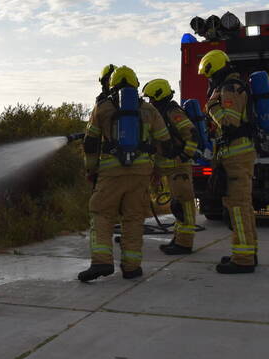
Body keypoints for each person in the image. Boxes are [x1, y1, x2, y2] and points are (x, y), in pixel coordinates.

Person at [78, 65, 171, 282]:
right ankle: (132, 267)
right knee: (134, 217)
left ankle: (102, 262)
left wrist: (91, 170)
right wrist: (159, 169)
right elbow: (164, 142)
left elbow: (90, 143)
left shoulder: (103, 108)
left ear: (113, 86)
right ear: (136, 85)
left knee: (101, 213)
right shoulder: (149, 110)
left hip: (111, 172)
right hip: (141, 172)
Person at [199, 49, 258, 274]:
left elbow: (230, 122)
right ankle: (248, 252)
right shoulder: (235, 85)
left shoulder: (229, 88)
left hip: (236, 155)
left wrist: (212, 107)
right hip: (237, 154)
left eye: (209, 75)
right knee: (243, 206)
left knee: (237, 208)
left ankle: (243, 259)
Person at [141, 78, 199, 255]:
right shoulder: (162, 113)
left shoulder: (173, 112)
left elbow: (191, 133)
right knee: (177, 205)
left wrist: (184, 155)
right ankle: (179, 239)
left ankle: (184, 244)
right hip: (170, 168)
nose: (150, 102)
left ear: (159, 95)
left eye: (152, 98)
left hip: (179, 168)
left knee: (184, 205)